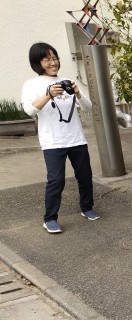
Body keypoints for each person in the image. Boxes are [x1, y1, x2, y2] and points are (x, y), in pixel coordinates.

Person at [21, 42, 99, 234]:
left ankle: (87, 207)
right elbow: (30, 110)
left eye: (54, 58)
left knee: (85, 177)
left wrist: (78, 93)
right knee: (56, 181)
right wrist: (48, 95)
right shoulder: (31, 84)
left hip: (77, 138)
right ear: (37, 62)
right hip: (53, 142)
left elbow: (88, 107)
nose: (53, 63)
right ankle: (50, 218)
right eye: (47, 59)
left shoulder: (67, 80)